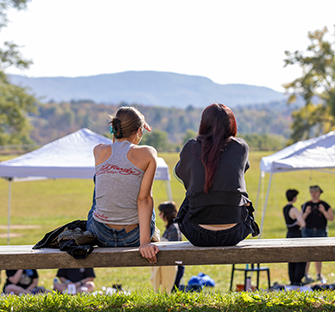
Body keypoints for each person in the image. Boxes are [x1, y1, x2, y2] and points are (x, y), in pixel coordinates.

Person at [174, 103, 259, 247]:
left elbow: (181, 174)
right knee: (242, 197)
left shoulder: (191, 146)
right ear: (231, 124)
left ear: (204, 123)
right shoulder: (240, 147)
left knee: (191, 195)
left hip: (196, 232)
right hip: (235, 231)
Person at [86, 106, 159, 264]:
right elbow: (144, 199)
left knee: (100, 178)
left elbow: (116, 151)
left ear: (114, 128)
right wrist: (145, 243)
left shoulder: (98, 151)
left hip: (100, 234)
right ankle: (151, 233)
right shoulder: (148, 153)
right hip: (134, 237)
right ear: (139, 130)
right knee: (145, 193)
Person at [302, 185, 334, 283]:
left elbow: (331, 218)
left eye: (315, 192)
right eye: (311, 192)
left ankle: (318, 274)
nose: (313, 194)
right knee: (307, 253)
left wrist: (323, 211)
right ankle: (306, 274)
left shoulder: (324, 205)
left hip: (321, 231)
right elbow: (300, 219)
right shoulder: (306, 205)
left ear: (319, 193)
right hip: (308, 230)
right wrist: (306, 213)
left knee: (319, 254)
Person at [150, 201, 184, 292]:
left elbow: (172, 245)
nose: (159, 215)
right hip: (174, 262)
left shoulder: (174, 227)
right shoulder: (172, 226)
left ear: (167, 214)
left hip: (176, 263)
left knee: (173, 289)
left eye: (161, 213)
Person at [283, 189, 306, 285]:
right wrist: (305, 213)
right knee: (300, 258)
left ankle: (292, 279)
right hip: (297, 235)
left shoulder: (285, 208)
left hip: (289, 235)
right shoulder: (294, 209)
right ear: (294, 198)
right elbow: (303, 223)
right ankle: (297, 280)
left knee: (291, 258)